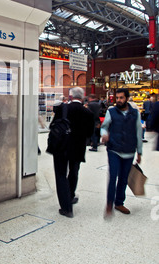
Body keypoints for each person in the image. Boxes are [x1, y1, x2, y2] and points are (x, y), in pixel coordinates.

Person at [52, 87, 94, 218]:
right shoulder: (88, 113)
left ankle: (66, 208)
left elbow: (53, 126)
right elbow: (90, 133)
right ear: (83, 97)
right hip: (78, 147)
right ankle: (70, 196)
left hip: (61, 147)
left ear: (70, 97)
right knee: (74, 171)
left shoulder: (62, 109)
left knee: (60, 175)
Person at [101, 88, 142, 218]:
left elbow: (138, 133)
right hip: (114, 149)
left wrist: (139, 152)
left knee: (123, 179)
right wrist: (104, 134)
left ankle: (119, 203)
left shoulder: (135, 113)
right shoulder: (111, 111)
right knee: (113, 177)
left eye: (121, 98)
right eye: (117, 98)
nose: (118, 100)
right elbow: (104, 127)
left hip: (129, 151)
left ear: (127, 98)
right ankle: (109, 203)